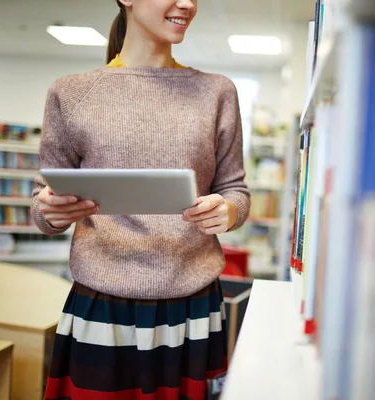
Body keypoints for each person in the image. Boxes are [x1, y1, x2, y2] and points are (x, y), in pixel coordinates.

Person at [31, 0, 250, 398]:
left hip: (193, 307)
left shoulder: (217, 91)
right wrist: (50, 211)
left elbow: (235, 188)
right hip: (102, 306)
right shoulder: (71, 92)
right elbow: (43, 200)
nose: (187, 4)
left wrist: (230, 210)